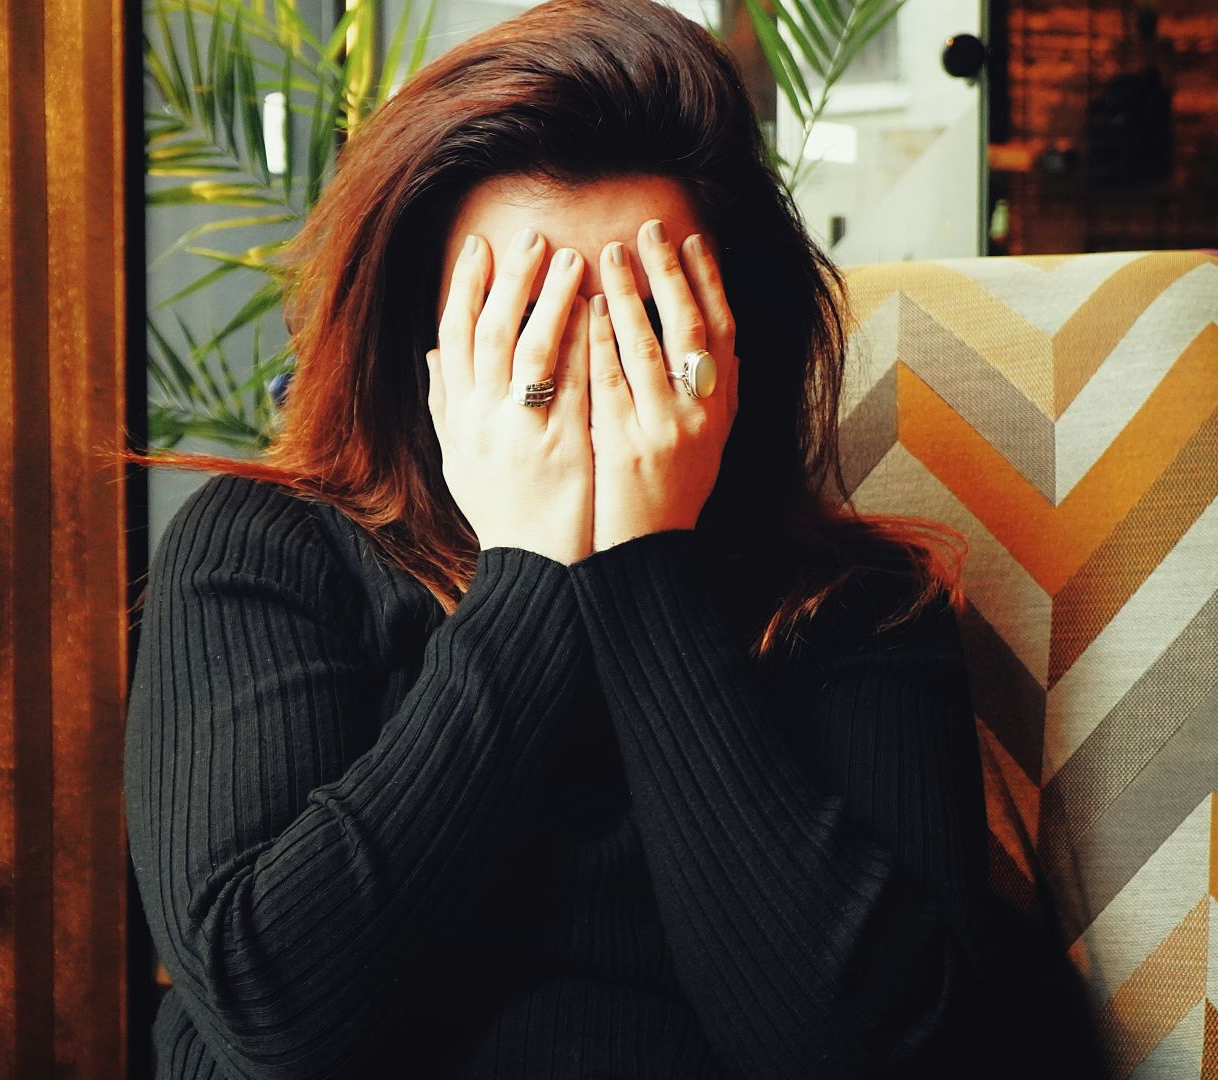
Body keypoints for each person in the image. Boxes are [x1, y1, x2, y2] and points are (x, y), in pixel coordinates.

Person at [122, 0, 1104, 1076]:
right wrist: (531, 570)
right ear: (426, 341)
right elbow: (276, 1013)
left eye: (644, 314)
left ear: (731, 337)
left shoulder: (855, 607)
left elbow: (874, 1052)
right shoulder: (266, 550)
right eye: (521, 315)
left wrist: (641, 569)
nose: (583, 366)